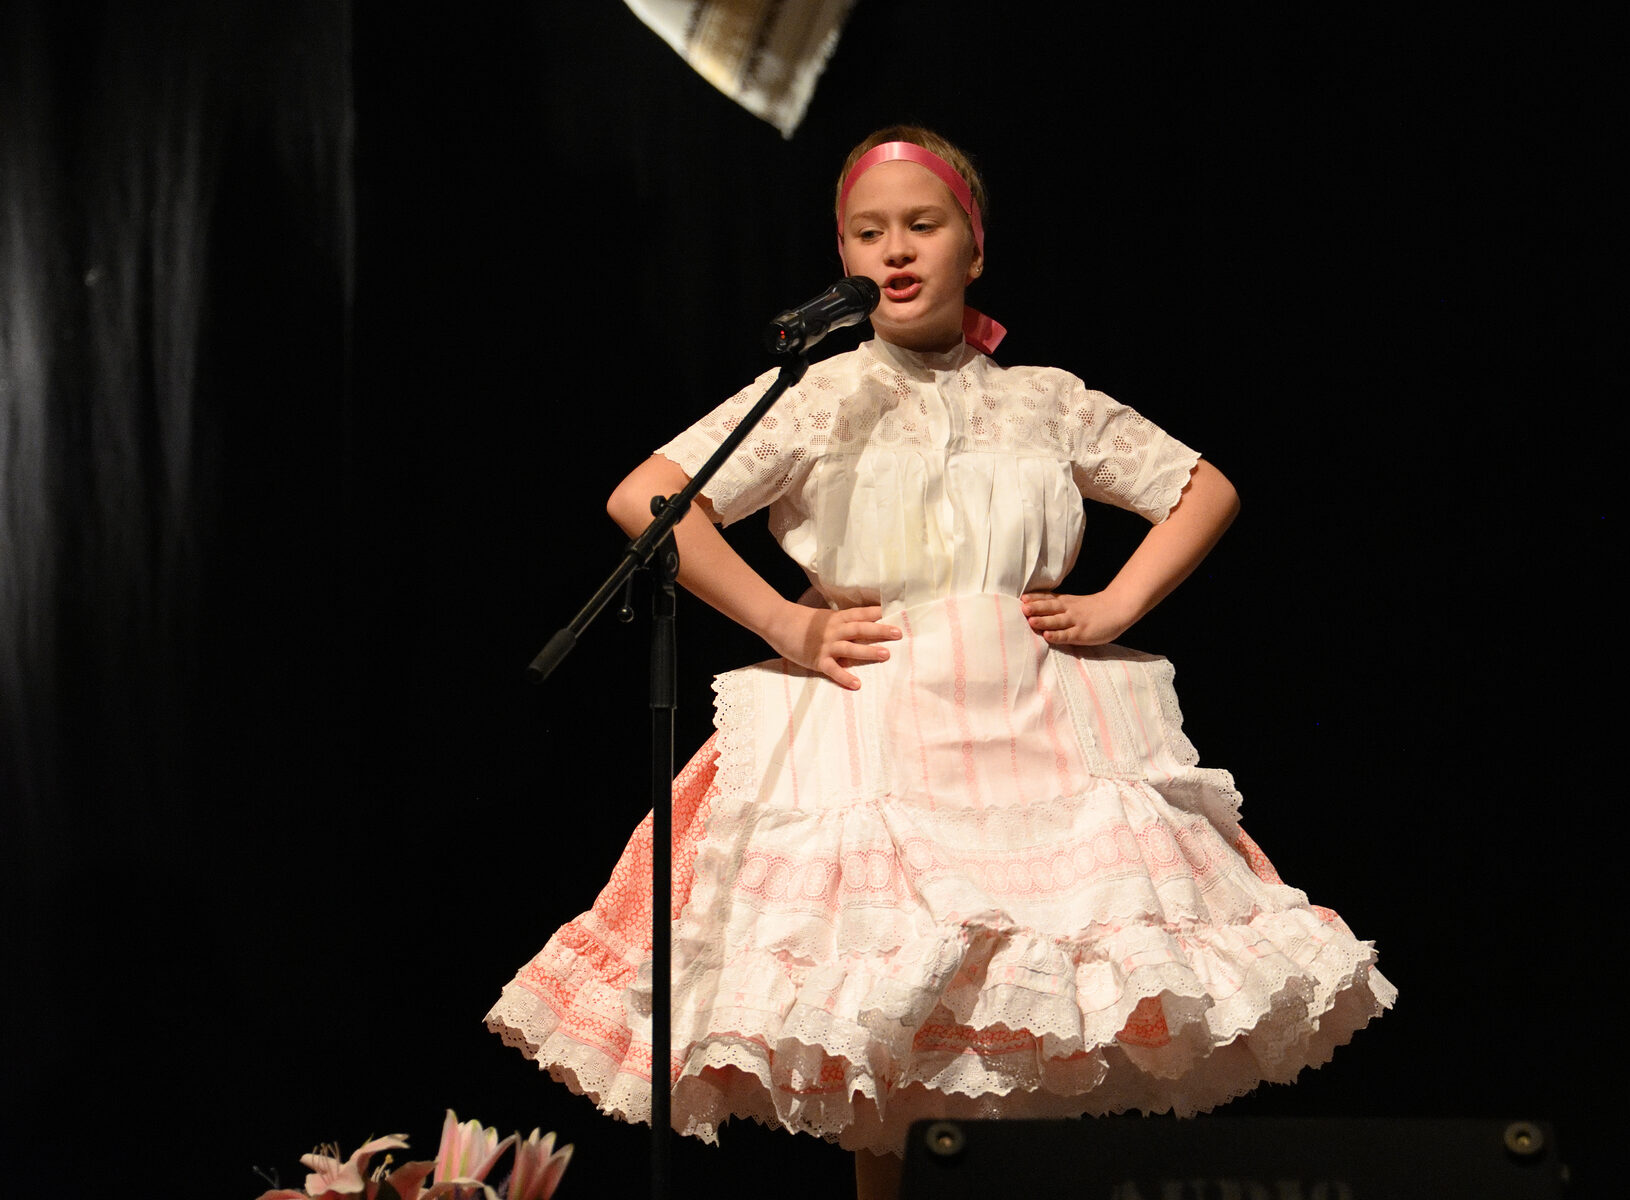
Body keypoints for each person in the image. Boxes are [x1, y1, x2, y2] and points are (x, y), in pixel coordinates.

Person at [486, 125, 1395, 1200]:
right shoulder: (817, 394)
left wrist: (1116, 604)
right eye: (867, 233)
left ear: (975, 247)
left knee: (1045, 1015)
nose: (895, 250)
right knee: (890, 1036)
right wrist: (784, 623)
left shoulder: (1043, 399)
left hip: (1036, 729)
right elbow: (649, 497)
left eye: (922, 225)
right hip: (878, 724)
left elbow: (1203, 489)